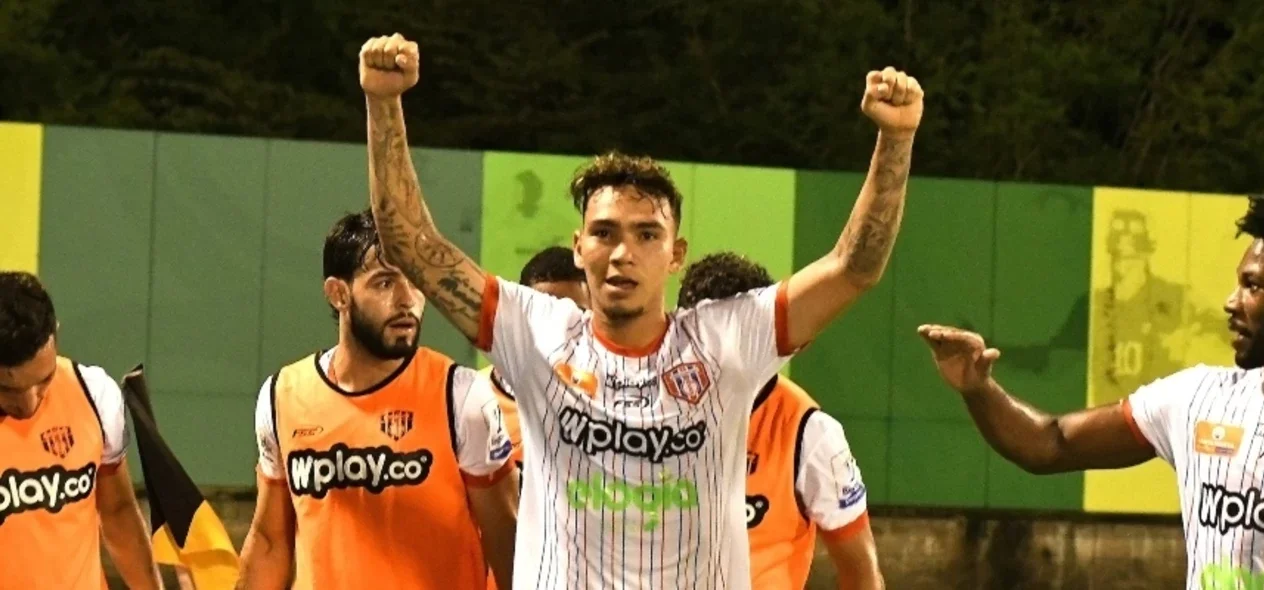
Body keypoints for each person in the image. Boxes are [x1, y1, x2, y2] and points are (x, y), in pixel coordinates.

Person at [359, 31, 922, 589]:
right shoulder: (535, 333)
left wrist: (895, 140)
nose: (622, 253)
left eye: (646, 234)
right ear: (579, 247)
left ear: (676, 255)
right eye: (604, 232)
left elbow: (854, 267)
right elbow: (412, 246)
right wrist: (384, 103)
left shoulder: (728, 341)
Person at [917, 189, 1264, 589]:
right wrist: (978, 388)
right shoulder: (1199, 400)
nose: (1231, 302)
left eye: (1253, 286)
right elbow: (1049, 443)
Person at [236, 210, 519, 590]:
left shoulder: (461, 396)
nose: (407, 301)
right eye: (385, 283)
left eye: (415, 282)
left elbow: (509, 540)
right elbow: (270, 541)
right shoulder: (281, 397)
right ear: (338, 294)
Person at [678, 252, 884, 589]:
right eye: (706, 335)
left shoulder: (811, 434)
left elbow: (861, 574)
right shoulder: (639, 406)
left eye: (741, 335)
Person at [0, 271, 163, 590]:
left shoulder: (94, 394)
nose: (29, 404)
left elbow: (117, 511)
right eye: (7, 389)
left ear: (55, 336)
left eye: (44, 381)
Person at [481, 246, 589, 475]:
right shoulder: (474, 399)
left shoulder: (613, 403)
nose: (559, 330)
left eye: (574, 316)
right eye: (544, 314)